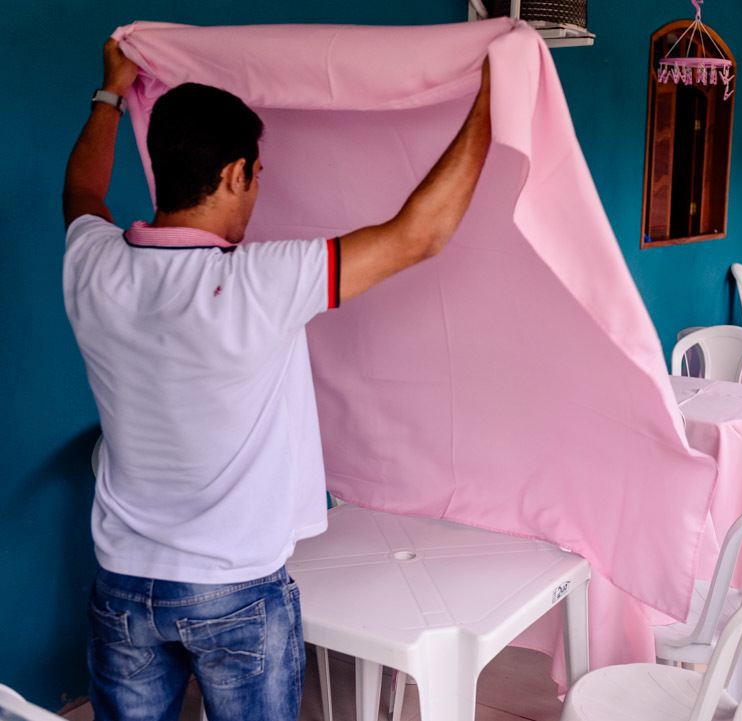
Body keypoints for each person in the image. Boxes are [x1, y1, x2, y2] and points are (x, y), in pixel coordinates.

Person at [62, 39, 491, 721]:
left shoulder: (93, 267)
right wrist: (490, 99)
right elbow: (421, 233)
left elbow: (82, 191)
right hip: (234, 595)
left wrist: (109, 93)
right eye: (258, 173)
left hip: (123, 588)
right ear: (235, 175)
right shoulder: (260, 280)